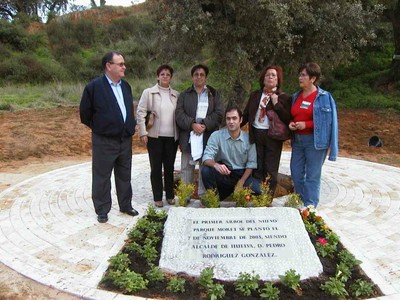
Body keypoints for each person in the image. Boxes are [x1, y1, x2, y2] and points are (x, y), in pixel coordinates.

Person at [80, 51, 139, 223]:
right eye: (120, 64)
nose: (124, 67)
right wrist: (102, 128)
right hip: (104, 141)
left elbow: (128, 109)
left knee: (124, 174)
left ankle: (125, 204)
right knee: (102, 176)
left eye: (123, 64)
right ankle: (102, 209)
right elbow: (85, 114)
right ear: (108, 66)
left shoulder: (126, 86)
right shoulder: (94, 87)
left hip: (124, 140)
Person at [289, 62, 338, 208]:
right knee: (296, 173)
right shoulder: (296, 96)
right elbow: (294, 115)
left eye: (303, 75)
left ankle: (310, 208)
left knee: (312, 177)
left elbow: (329, 121)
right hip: (298, 141)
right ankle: (302, 201)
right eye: (300, 75)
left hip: (315, 142)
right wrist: (291, 123)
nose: (300, 77)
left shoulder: (324, 97)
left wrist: (307, 124)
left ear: (313, 78)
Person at [242, 65, 291, 196]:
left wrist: (276, 104)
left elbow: (287, 118)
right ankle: (257, 195)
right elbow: (246, 115)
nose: (270, 77)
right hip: (256, 133)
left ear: (278, 80)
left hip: (273, 137)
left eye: (273, 75)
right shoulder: (255, 95)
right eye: (267, 75)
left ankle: (267, 199)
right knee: (257, 166)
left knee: (271, 169)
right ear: (263, 79)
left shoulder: (283, 97)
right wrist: (234, 126)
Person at [175, 64, 224, 198]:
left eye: (202, 74)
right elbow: (179, 114)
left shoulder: (214, 94)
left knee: (205, 167)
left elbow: (219, 113)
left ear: (206, 77)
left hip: (207, 137)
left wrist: (204, 124)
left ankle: (203, 196)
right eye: (196, 74)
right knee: (186, 168)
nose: (199, 77)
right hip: (188, 136)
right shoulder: (184, 95)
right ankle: (185, 196)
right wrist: (192, 124)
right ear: (192, 77)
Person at [136, 64, 179, 208]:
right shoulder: (149, 93)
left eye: (168, 74)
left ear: (171, 77)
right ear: (157, 76)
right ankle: (157, 197)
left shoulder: (176, 95)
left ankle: (170, 196)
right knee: (155, 168)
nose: (165, 76)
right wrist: (143, 132)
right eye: (162, 74)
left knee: (169, 167)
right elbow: (141, 113)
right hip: (154, 137)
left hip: (171, 138)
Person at [202, 106, 261, 200]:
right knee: (206, 170)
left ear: (241, 120)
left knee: (259, 191)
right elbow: (206, 158)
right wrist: (216, 165)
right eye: (228, 118)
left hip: (242, 174)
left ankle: (234, 194)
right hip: (225, 173)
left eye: (234, 118)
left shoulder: (248, 139)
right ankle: (213, 198)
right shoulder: (216, 136)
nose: (231, 121)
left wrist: (241, 182)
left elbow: (251, 164)